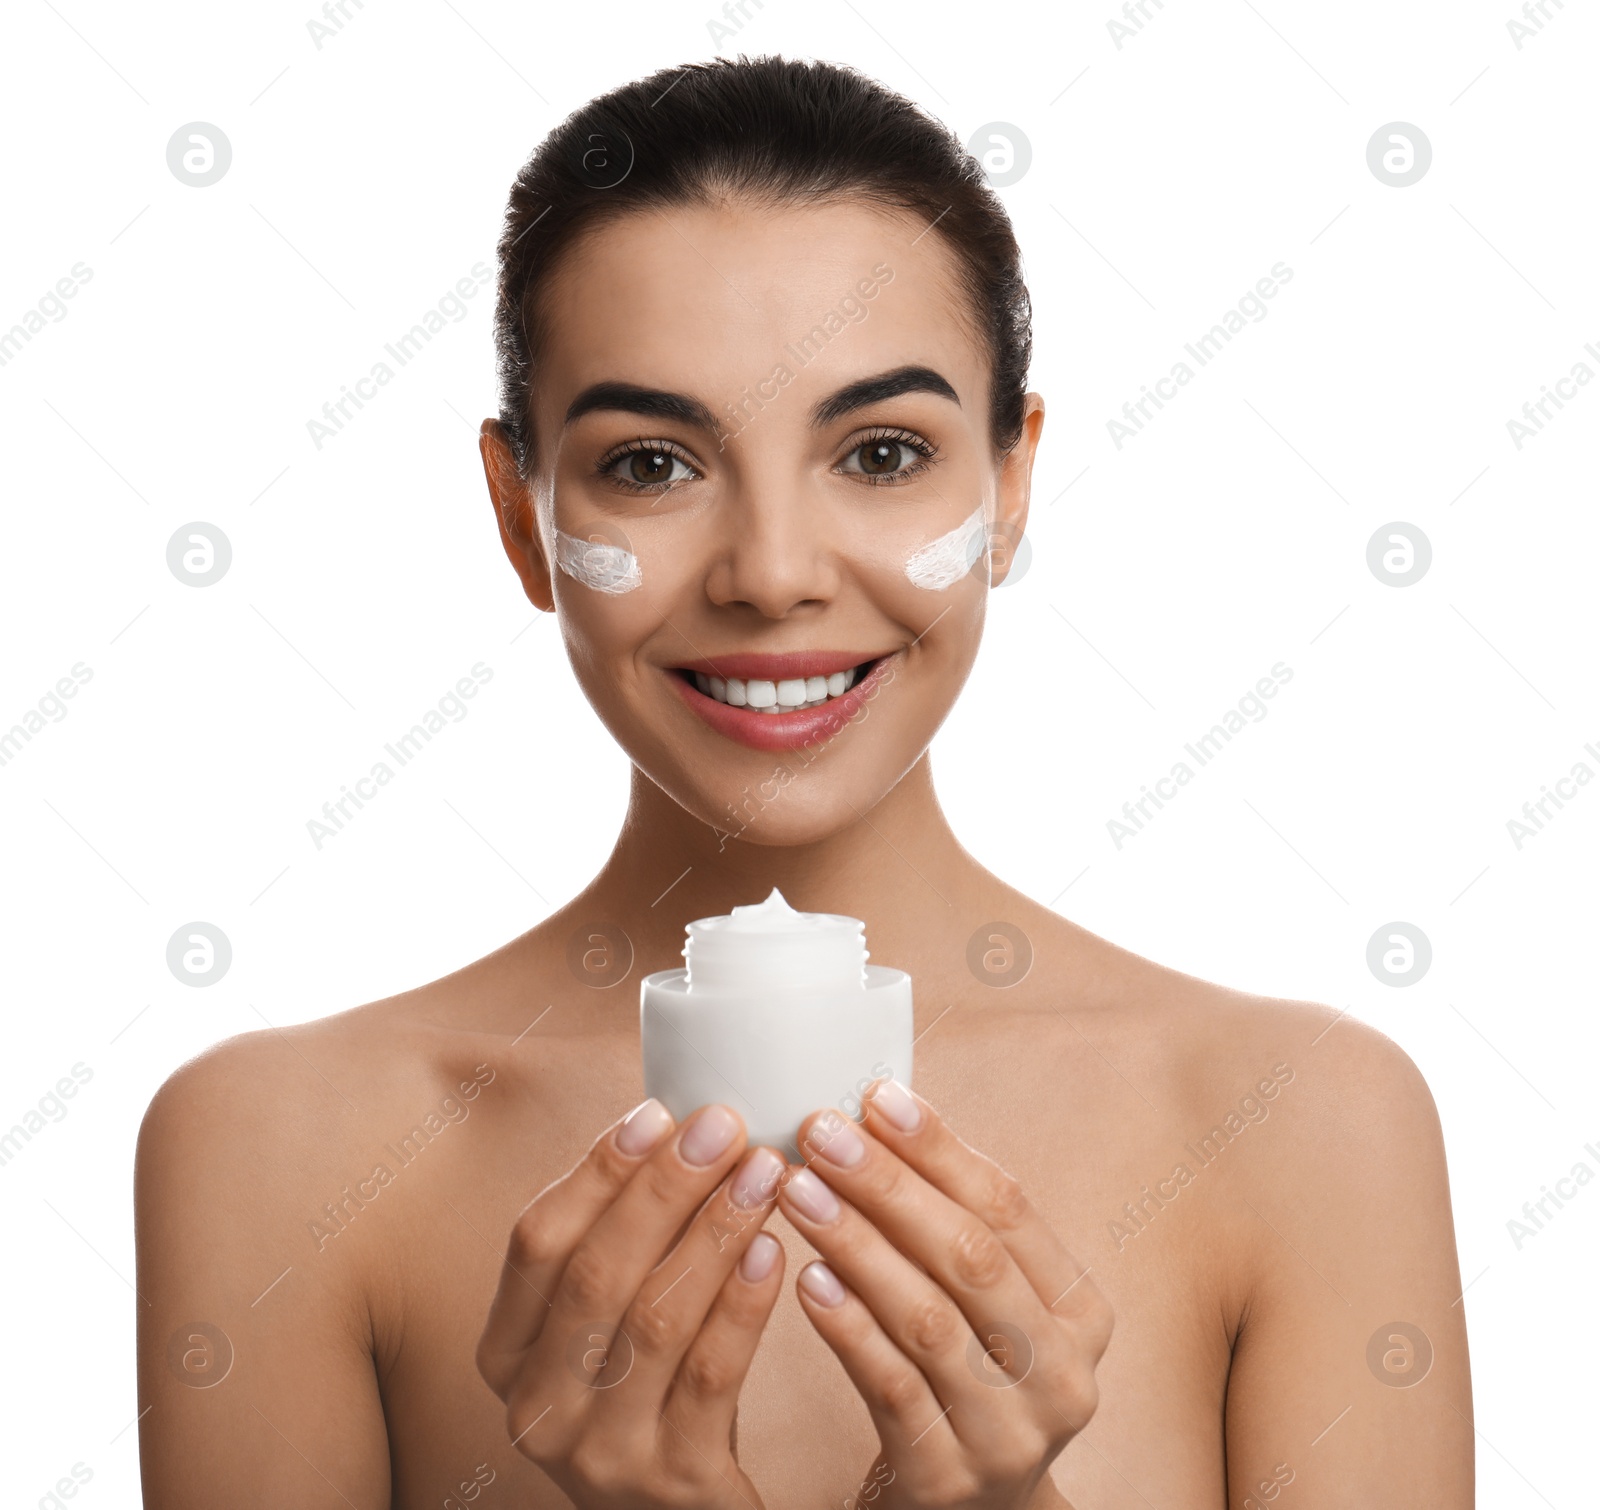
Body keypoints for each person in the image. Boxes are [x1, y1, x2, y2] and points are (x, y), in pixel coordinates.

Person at [135, 55, 1473, 1508]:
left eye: (883, 451)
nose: (772, 573)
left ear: (1010, 484)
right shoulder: (275, 1155)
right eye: (650, 463)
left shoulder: (1302, 1123)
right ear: (522, 519)